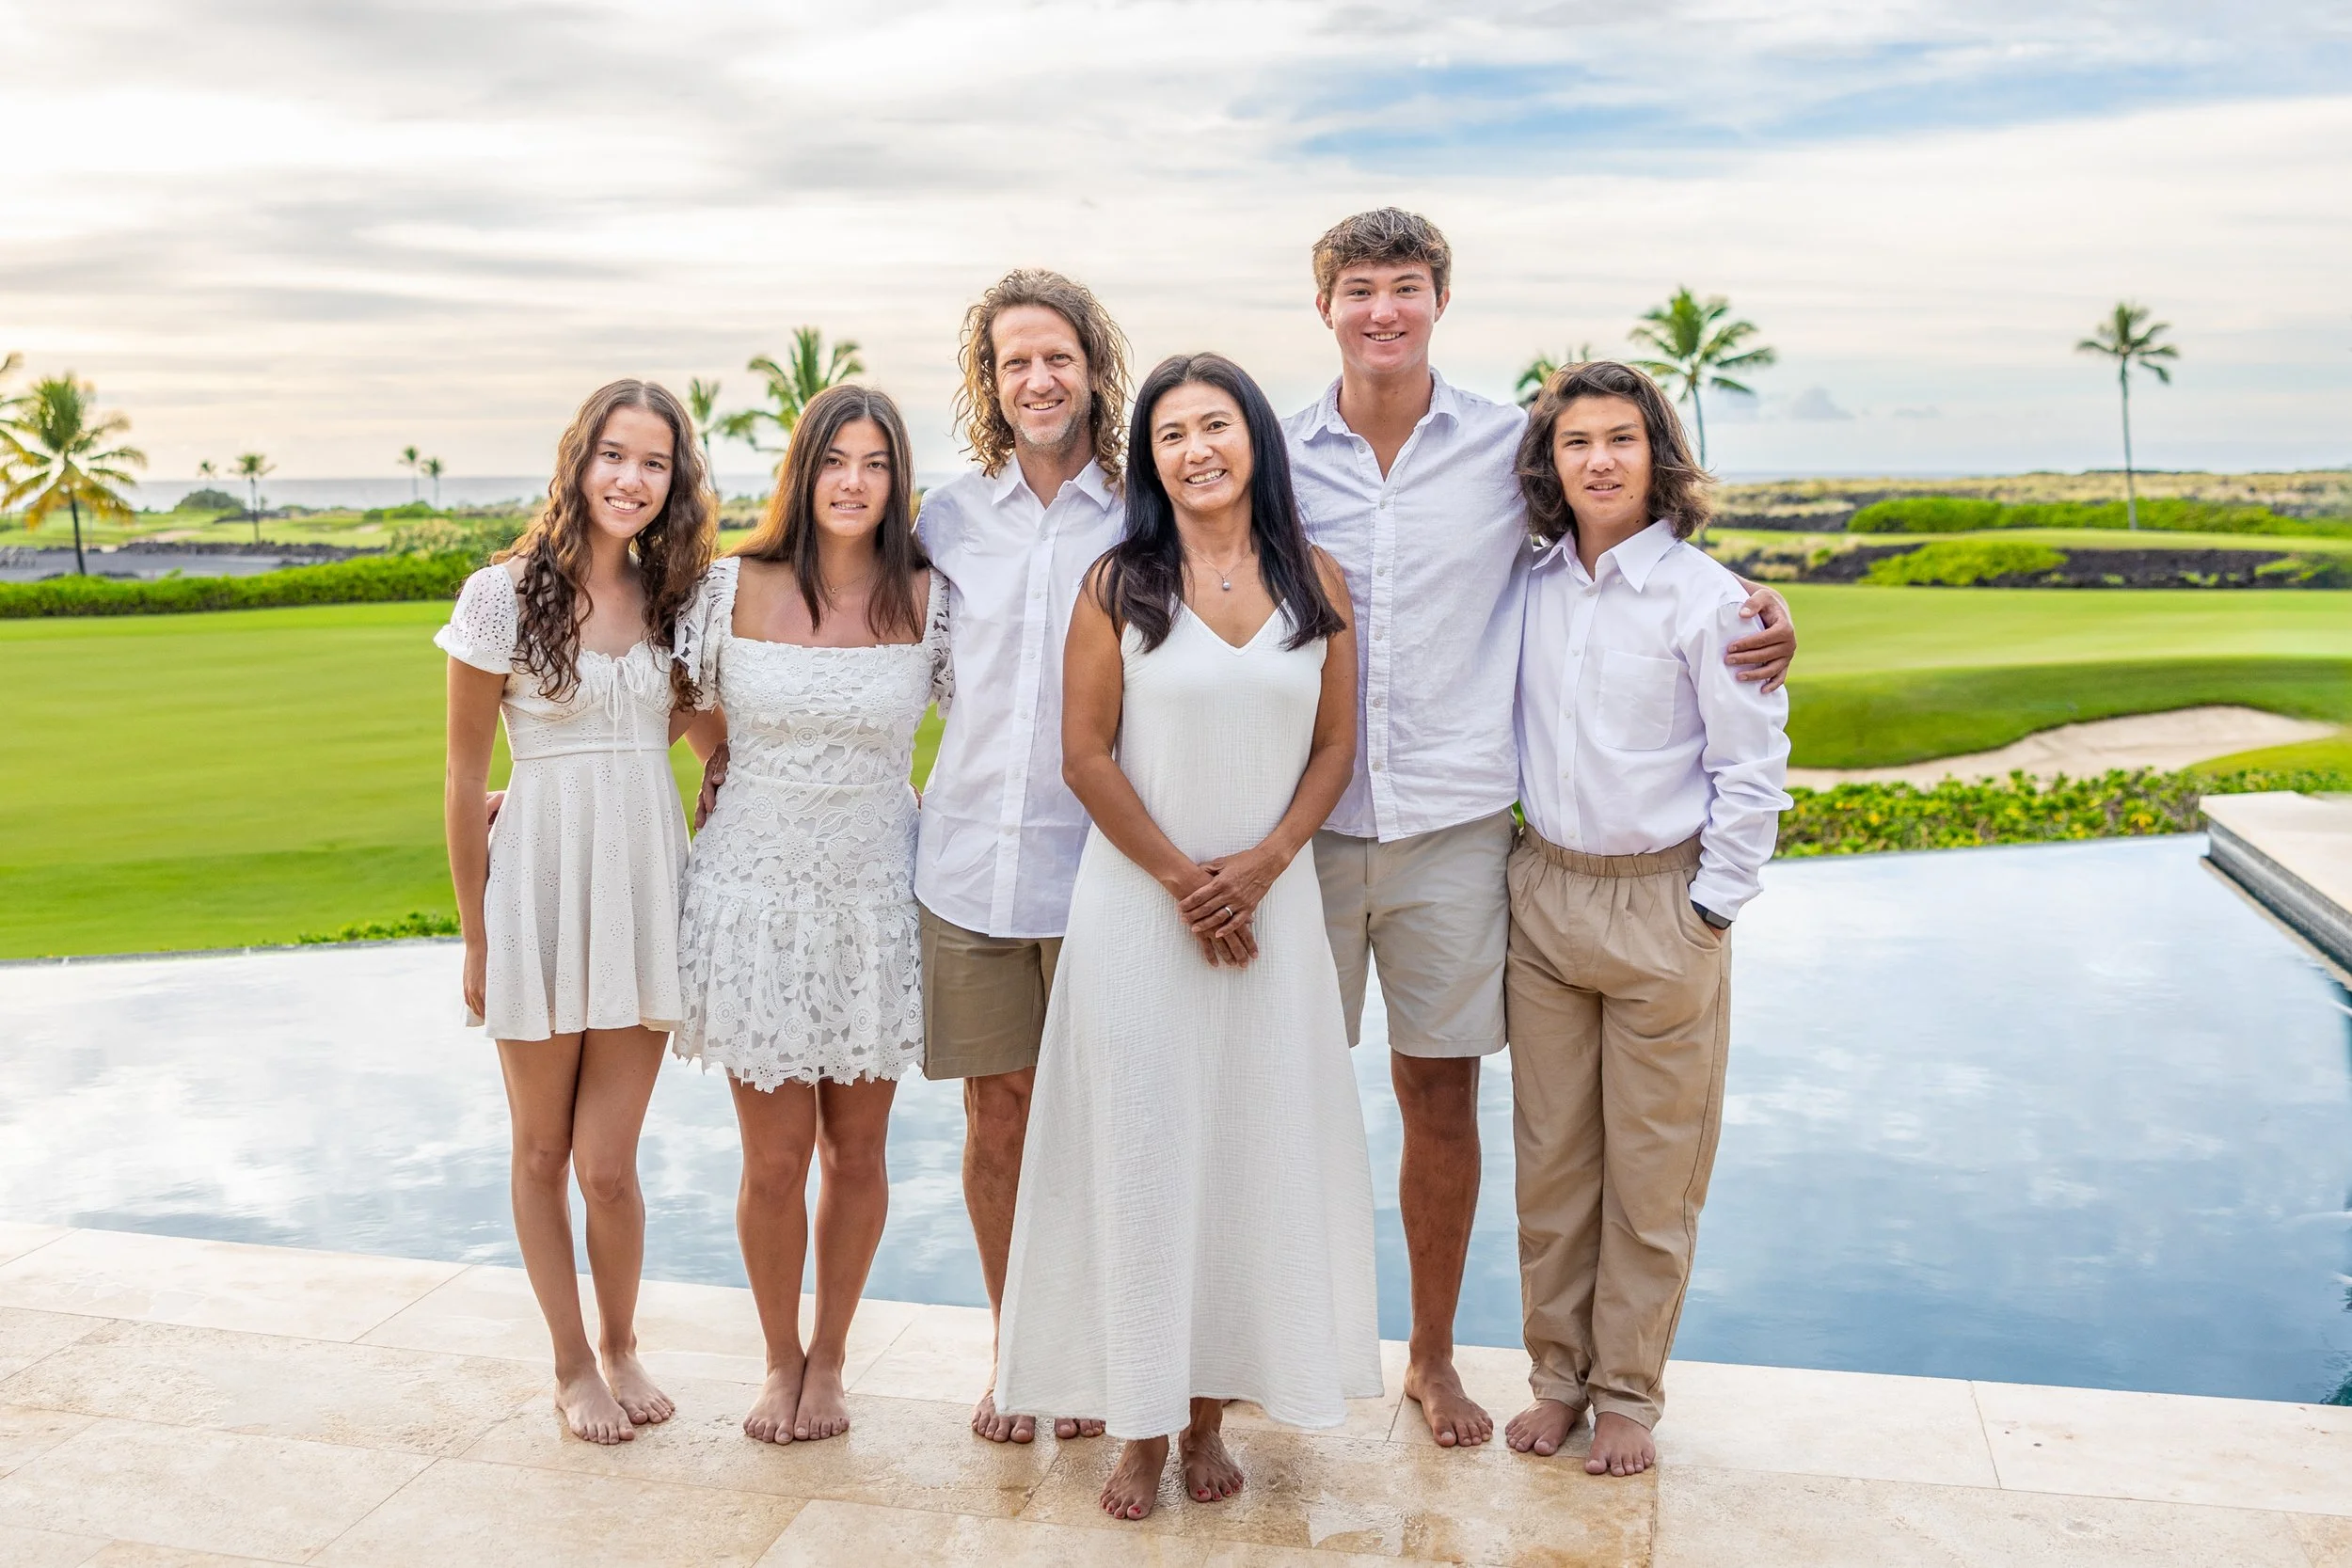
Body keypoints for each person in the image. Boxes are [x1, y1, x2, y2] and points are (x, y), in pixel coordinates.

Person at [1282, 209, 1797, 1448]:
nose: (1383, 310)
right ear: (1327, 307)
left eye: (1405, 286)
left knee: (1459, 1104)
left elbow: (1647, 569)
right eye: (1359, 289)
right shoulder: (1283, 451)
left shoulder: (1499, 449)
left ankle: (1476, 1366)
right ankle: (1290, 1354)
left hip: (1467, 836)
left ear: (1439, 300)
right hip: (1317, 826)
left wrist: (1756, 608)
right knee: (1308, 1105)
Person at [994, 352, 1377, 1522]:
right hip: (1139, 916)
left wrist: (1259, 870)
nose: (1196, 448)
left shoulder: (1317, 579)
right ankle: (1140, 1426)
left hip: (1274, 912)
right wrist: (1184, 883)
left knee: (1245, 1149)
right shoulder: (1119, 582)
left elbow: (1332, 751)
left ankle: (1210, 1412)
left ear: (1254, 438)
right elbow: (1085, 754)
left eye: (1216, 424)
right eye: (1171, 434)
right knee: (1145, 1152)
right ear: (1150, 460)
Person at [1499, 360, 1791, 1477]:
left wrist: (1711, 907)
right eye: (1577, 442)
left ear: (1655, 456)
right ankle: (1556, 1380)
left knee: (1655, 1168)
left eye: (1621, 439)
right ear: (1551, 462)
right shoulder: (1523, 583)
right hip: (1544, 892)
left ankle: (1628, 1392)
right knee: (1553, 1163)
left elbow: (1751, 768)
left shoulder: (1708, 598)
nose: (1600, 460)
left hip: (1662, 901)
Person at [438, 378, 714, 1445]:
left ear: (673, 482)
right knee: (542, 1150)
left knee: (609, 1162)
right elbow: (465, 778)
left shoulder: (678, 601)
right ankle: (568, 1362)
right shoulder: (500, 595)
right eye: (613, 454)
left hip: (644, 890)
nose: (631, 479)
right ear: (578, 459)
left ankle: (623, 1339)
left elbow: (714, 737)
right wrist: (476, 929)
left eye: (653, 462)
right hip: (540, 888)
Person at [671, 385, 948, 1446]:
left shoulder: (930, 595)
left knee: (860, 1151)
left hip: (876, 892)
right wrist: (724, 759)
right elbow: (680, 694)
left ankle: (832, 1355)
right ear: (803, 469)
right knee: (774, 1159)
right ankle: (778, 1357)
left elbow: (980, 720)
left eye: (876, 463)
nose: (853, 481)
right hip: (751, 898)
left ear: (897, 481)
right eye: (836, 458)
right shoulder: (727, 585)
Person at [911, 270, 1131, 1446]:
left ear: (1092, 365)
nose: (1037, 380)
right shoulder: (948, 517)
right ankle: (1019, 1346)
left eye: (1056, 357)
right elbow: (827, 610)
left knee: (1098, 1124)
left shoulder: (1147, 508)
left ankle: (1099, 1345)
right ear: (988, 384)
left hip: (1105, 869)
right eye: (1012, 363)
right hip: (965, 865)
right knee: (997, 1121)